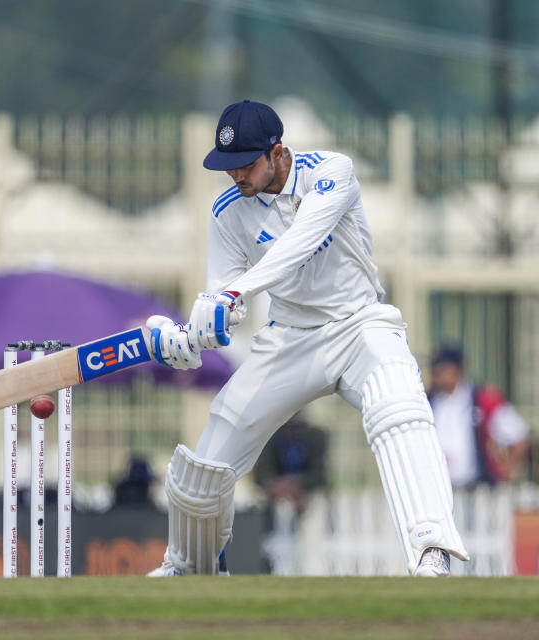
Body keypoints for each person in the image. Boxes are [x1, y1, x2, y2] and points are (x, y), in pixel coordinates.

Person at [144, 99, 467, 577]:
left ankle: (430, 551)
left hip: (360, 323)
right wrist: (193, 337)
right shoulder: (227, 211)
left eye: (246, 163)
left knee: (399, 407)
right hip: (290, 337)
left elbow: (299, 245)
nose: (236, 176)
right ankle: (190, 568)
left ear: (277, 153)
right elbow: (224, 306)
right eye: (227, 166)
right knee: (205, 463)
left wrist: (236, 290)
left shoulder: (332, 170)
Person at [428, 344, 530, 488]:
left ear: (457, 370)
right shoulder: (429, 401)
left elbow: (519, 434)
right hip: (438, 488)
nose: (437, 374)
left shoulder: (483, 399)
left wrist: (508, 467)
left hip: (477, 490)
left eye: (442, 369)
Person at [253, 414, 328, 515]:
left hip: (308, 494)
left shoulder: (316, 437)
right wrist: (278, 487)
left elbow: (319, 473)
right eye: (289, 428)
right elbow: (261, 472)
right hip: (276, 494)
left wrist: (296, 485)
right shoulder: (271, 437)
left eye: (297, 428)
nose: (293, 433)